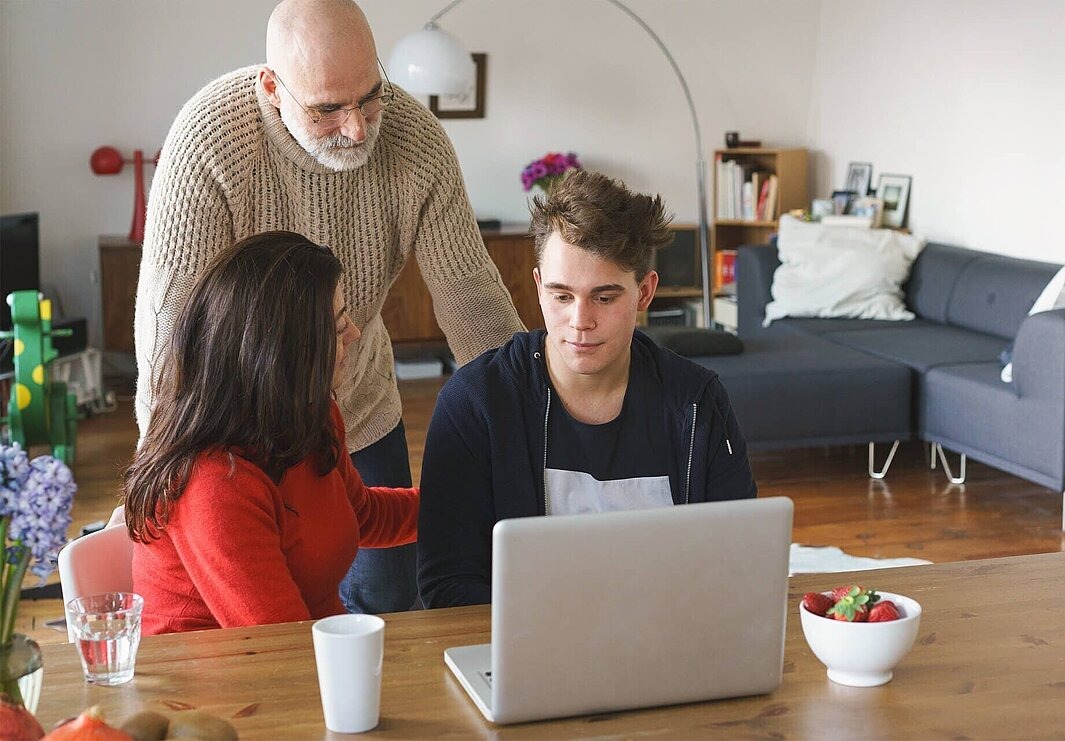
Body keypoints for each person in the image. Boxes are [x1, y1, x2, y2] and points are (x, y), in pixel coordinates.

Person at [134, 0, 523, 614]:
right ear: (272, 88)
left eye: (370, 96)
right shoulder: (208, 145)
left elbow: (473, 303)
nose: (358, 128)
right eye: (327, 109)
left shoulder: (417, 144)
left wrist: (529, 429)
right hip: (235, 432)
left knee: (389, 591)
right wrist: (165, 474)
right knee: (273, 595)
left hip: (345, 406)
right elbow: (170, 337)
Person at [417, 170, 758, 608]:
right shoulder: (475, 402)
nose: (580, 322)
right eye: (562, 296)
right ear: (539, 287)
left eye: (604, 297)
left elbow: (737, 559)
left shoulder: (697, 401)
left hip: (667, 633)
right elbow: (447, 583)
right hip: (529, 641)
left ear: (645, 292)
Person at [124, 232, 419, 635]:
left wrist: (477, 500)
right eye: (336, 327)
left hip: (308, 652)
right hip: (228, 670)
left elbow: (361, 514)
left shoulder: (310, 415)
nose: (353, 332)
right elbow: (281, 642)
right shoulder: (214, 483)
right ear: (284, 352)